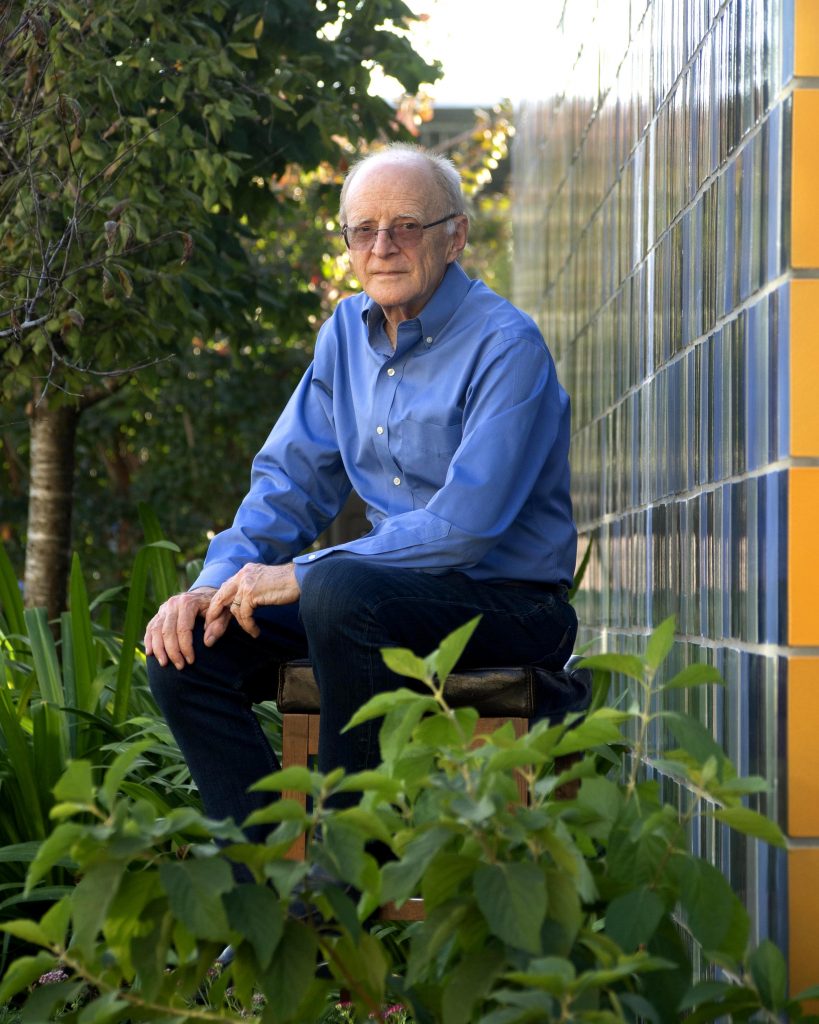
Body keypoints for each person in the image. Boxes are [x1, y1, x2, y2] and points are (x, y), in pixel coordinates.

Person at [145, 144, 583, 843]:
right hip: (375, 603)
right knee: (189, 650)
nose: (381, 246)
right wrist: (215, 585)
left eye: (405, 226)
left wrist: (302, 574)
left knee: (339, 589)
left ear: (454, 236)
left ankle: (339, 885)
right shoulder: (341, 338)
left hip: (509, 606)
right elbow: (287, 484)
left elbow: (464, 526)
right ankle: (263, 891)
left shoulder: (507, 346)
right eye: (362, 229)